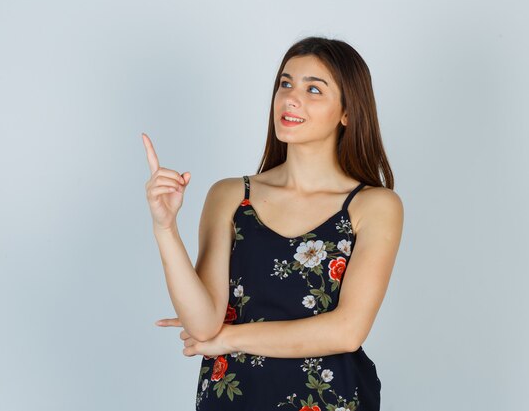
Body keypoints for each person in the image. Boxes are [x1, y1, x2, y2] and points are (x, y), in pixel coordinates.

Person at [141, 36, 403, 411]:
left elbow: (347, 331)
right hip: (235, 397)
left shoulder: (373, 205)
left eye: (314, 89)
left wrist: (229, 340)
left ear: (347, 111)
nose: (291, 98)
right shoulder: (230, 195)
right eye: (285, 83)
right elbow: (202, 326)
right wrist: (164, 227)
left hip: (330, 400)